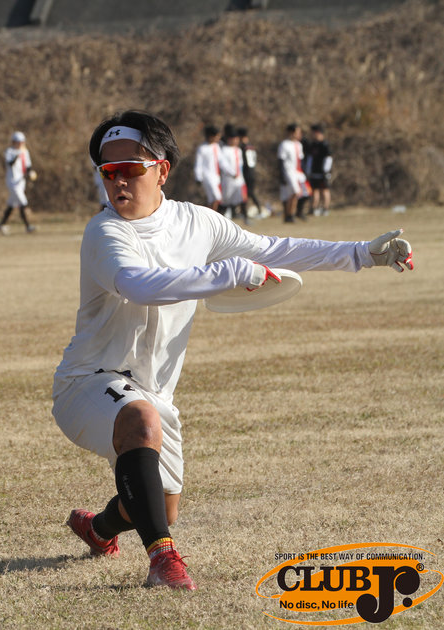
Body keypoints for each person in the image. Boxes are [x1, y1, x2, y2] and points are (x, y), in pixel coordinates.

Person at [53, 109, 413, 591]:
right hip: (87, 382)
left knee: (161, 505)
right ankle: (163, 562)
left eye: (131, 169)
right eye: (108, 171)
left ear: (162, 171)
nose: (118, 181)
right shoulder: (105, 232)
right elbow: (138, 285)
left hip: (153, 392)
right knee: (140, 422)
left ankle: (98, 528)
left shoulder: (197, 223)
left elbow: (273, 248)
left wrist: (361, 254)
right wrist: (230, 272)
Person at [0, 131, 36, 234]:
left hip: (21, 182)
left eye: (22, 142)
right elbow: (10, 163)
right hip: (12, 182)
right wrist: (17, 154)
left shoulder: (25, 152)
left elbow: (28, 166)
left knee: (12, 204)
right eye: (18, 142)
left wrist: (30, 173)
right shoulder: (9, 151)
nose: (20, 144)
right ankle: (28, 226)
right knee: (23, 202)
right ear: (14, 142)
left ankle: (1, 225)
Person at [278, 123, 311, 223]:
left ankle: (298, 212)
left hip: (298, 171)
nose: (299, 134)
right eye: (297, 132)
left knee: (307, 192)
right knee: (295, 193)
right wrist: (281, 175)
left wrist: (305, 172)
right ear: (291, 133)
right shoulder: (284, 144)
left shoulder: (299, 145)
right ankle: (289, 215)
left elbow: (301, 160)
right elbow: (280, 160)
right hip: (289, 172)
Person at [218, 125, 250, 224]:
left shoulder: (238, 150)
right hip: (228, 179)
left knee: (243, 198)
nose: (235, 141)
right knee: (226, 200)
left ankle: (246, 218)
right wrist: (232, 173)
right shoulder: (224, 150)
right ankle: (219, 219)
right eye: (233, 139)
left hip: (239, 179)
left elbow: (240, 164)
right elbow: (223, 164)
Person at [237, 127, 267, 218]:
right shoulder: (251, 146)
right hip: (252, 171)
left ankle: (253, 210)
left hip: (246, 172)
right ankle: (245, 211)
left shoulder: (242, 147)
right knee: (248, 192)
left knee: (248, 192)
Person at [193, 125, 222, 213]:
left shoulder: (216, 147)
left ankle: (209, 215)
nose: (218, 138)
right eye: (216, 136)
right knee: (217, 197)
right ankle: (214, 215)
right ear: (211, 136)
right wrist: (198, 177)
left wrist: (231, 172)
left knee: (211, 199)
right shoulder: (202, 148)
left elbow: (222, 161)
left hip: (216, 176)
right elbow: (198, 164)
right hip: (207, 176)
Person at [305, 124, 333, 216]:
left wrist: (326, 170)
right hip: (314, 171)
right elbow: (310, 159)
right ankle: (314, 208)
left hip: (323, 172)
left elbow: (328, 158)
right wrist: (308, 170)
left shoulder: (325, 145)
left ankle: (325, 208)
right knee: (314, 190)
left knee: (324, 190)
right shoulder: (312, 145)